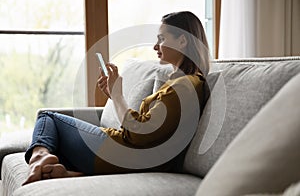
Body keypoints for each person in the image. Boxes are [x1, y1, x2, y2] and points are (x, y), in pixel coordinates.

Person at [22, 11, 210, 185]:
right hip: (130, 155)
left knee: (47, 116)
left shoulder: (185, 86)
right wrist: (113, 95)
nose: (155, 46)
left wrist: (118, 95)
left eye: (161, 39)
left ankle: (37, 159)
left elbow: (139, 133)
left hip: (123, 154)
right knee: (51, 142)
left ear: (182, 40)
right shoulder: (182, 83)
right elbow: (151, 129)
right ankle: (58, 170)